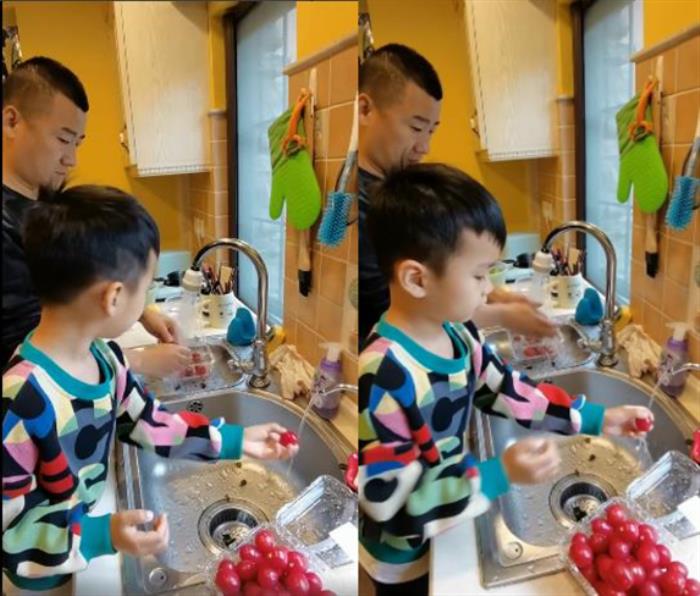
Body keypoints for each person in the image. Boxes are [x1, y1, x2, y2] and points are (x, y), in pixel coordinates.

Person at [358, 164, 653, 595]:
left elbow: (508, 390)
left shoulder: (458, 332)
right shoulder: (384, 374)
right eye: (479, 275)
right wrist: (500, 473)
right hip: (404, 554)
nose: (488, 290)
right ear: (417, 279)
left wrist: (599, 419)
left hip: (453, 509)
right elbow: (391, 507)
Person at [1, 185, 299, 593]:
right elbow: (8, 529)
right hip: (38, 573)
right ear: (114, 297)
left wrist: (237, 440)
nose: (148, 301)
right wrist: (100, 535)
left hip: (80, 542)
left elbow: (151, 425)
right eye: (146, 290)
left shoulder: (106, 358)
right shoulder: (21, 398)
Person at [358, 43, 557, 344]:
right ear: (365, 109)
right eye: (416, 128)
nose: (424, 146)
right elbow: (402, 309)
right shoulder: (356, 205)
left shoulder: (403, 185)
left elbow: (438, 272)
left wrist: (493, 294)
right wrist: (501, 316)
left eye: (431, 130)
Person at [2, 56, 188, 375]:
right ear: (11, 122)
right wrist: (138, 361)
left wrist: (138, 310)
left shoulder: (45, 199)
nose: (71, 159)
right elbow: (28, 351)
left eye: (77, 142)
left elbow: (81, 277)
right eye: (63, 139)